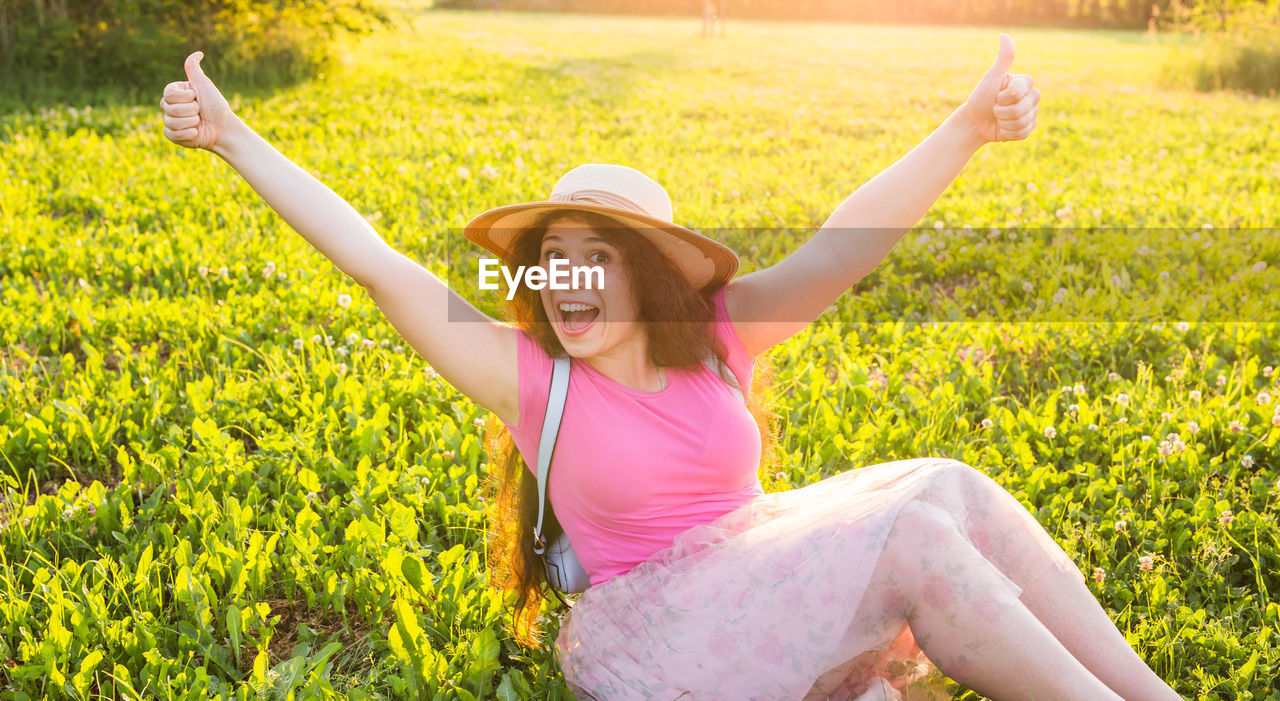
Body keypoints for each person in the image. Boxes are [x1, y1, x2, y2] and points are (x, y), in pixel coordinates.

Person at [160, 37, 1183, 701]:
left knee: (949, 485)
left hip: (759, 562)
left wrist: (963, 130)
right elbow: (373, 261)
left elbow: (843, 241)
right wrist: (234, 138)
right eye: (553, 260)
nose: (569, 281)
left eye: (597, 258)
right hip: (658, 628)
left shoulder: (720, 339)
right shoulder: (530, 378)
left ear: (650, 274)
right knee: (915, 533)